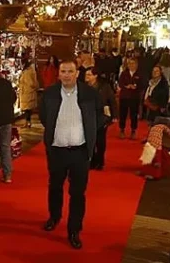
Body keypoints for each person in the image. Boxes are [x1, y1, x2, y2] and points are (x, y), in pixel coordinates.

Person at [39, 60, 99, 250]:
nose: (66, 75)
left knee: (77, 193)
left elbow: (99, 116)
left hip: (80, 151)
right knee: (55, 186)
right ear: (59, 74)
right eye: (63, 71)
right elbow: (44, 117)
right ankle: (54, 217)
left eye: (70, 71)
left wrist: (90, 132)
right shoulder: (49, 94)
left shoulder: (89, 94)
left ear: (77, 73)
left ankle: (74, 230)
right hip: (57, 150)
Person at [85, 67, 115, 170]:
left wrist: (114, 115)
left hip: (102, 117)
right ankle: (92, 160)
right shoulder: (84, 87)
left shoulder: (104, 87)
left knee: (100, 141)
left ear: (95, 76)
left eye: (89, 75)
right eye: (86, 75)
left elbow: (112, 100)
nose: (87, 77)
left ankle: (100, 161)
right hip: (88, 117)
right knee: (90, 140)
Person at [117, 58, 143, 139]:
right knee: (123, 114)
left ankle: (133, 130)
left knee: (134, 114)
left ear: (136, 65)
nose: (131, 65)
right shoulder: (124, 73)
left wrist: (136, 87)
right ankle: (122, 130)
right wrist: (126, 86)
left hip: (134, 97)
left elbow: (143, 84)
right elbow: (120, 83)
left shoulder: (140, 74)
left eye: (133, 63)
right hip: (124, 96)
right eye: (129, 64)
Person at [18, 59, 39, 128]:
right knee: (28, 109)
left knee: (27, 109)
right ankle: (27, 122)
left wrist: (23, 84)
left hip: (27, 92)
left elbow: (30, 82)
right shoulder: (29, 71)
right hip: (27, 92)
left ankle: (27, 122)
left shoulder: (28, 72)